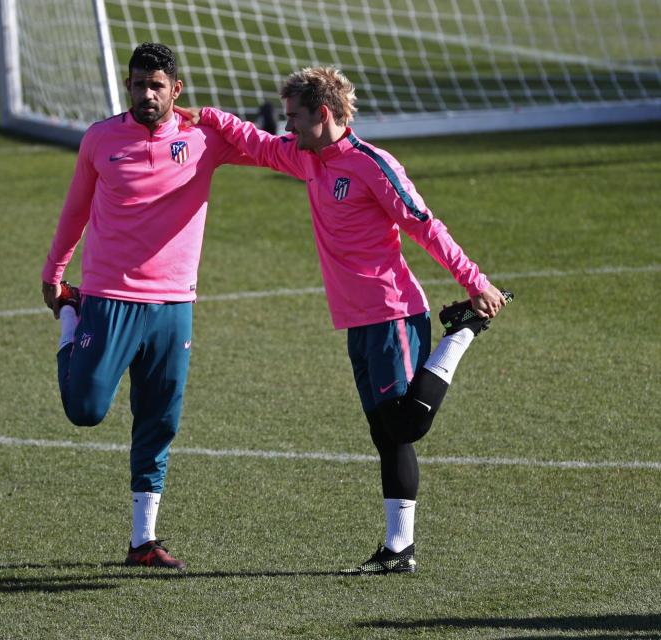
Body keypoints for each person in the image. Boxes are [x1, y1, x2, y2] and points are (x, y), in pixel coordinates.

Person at [178, 67, 512, 575]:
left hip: (393, 311)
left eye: (295, 118)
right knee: (385, 435)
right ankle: (399, 551)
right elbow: (257, 142)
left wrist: (474, 281)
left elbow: (424, 226)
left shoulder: (372, 165)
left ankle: (462, 332)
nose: (288, 128)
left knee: (405, 425)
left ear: (324, 114)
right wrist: (208, 116)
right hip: (357, 321)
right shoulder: (306, 157)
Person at [41, 42, 250, 571]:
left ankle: (143, 540)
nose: (147, 94)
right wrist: (55, 276)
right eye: (139, 84)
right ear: (128, 85)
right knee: (84, 410)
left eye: (157, 86)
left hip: (174, 303)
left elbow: (275, 151)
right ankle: (72, 317)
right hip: (108, 298)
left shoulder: (204, 139)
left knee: (159, 420)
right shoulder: (101, 139)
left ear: (176, 90)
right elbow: (75, 211)